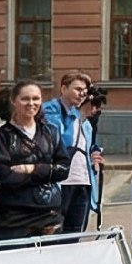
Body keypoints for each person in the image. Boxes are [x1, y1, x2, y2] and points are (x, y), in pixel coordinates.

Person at [0, 80, 69, 244]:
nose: (31, 103)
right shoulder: (0, 136)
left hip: (49, 215)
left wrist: (32, 169)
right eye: (25, 99)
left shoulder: (51, 132)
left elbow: (64, 169)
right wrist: (48, 173)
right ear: (14, 101)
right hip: (12, 218)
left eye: (36, 99)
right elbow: (4, 177)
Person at [42, 72, 103, 236]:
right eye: (78, 89)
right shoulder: (51, 110)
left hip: (82, 183)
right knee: (54, 236)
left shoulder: (82, 119)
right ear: (63, 88)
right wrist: (79, 116)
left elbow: (87, 145)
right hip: (60, 185)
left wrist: (94, 154)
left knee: (75, 235)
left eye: (85, 90)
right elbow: (58, 139)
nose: (83, 93)